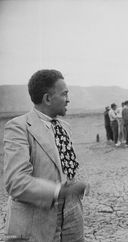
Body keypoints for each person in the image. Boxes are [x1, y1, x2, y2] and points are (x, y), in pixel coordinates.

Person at [3, 69, 90, 242]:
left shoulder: (64, 127)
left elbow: (66, 166)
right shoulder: (18, 127)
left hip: (72, 215)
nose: (68, 99)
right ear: (48, 99)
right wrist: (59, 191)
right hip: (38, 221)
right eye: (64, 94)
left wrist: (75, 190)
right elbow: (15, 182)